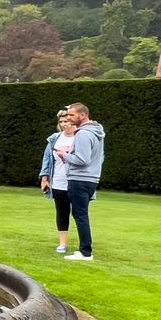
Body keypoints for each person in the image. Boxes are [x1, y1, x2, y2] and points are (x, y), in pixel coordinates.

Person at [55, 103, 106, 262]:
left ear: (83, 115)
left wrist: (65, 155)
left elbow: (83, 160)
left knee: (80, 214)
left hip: (80, 179)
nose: (68, 118)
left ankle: (85, 252)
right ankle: (84, 250)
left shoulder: (83, 134)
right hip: (90, 179)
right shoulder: (96, 132)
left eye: (71, 115)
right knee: (80, 214)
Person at [39, 108, 77, 253]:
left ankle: (85, 244)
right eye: (61, 122)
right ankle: (63, 243)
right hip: (59, 182)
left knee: (79, 213)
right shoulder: (54, 139)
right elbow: (47, 160)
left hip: (76, 182)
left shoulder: (81, 137)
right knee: (62, 212)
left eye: (66, 121)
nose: (63, 124)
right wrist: (45, 178)